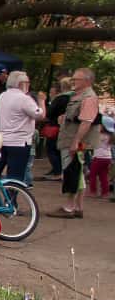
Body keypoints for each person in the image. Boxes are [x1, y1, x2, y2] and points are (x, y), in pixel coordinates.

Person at [56, 68, 103, 219]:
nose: (73, 81)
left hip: (76, 142)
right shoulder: (80, 96)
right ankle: (77, 207)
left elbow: (86, 122)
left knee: (73, 172)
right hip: (73, 140)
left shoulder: (88, 97)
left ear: (87, 81)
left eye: (76, 79)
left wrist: (75, 142)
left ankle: (69, 207)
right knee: (78, 173)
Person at [0, 71, 42, 184]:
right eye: (27, 82)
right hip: (19, 141)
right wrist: (42, 101)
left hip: (3, 139)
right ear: (22, 83)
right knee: (16, 175)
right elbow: (39, 115)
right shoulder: (24, 99)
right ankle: (11, 199)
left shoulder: (3, 95)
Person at [42, 83, 71, 178]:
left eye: (51, 92)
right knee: (58, 150)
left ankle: (57, 171)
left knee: (51, 149)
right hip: (66, 127)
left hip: (55, 126)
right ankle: (57, 169)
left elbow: (49, 113)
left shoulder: (59, 99)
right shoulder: (74, 98)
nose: (50, 94)